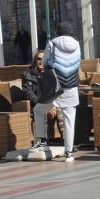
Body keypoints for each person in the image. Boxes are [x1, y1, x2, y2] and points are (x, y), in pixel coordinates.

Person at [31, 22, 81, 162]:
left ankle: (43, 145)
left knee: (39, 111)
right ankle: (69, 153)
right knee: (69, 119)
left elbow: (45, 62)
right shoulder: (77, 45)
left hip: (55, 87)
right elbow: (78, 63)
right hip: (71, 86)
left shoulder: (52, 44)